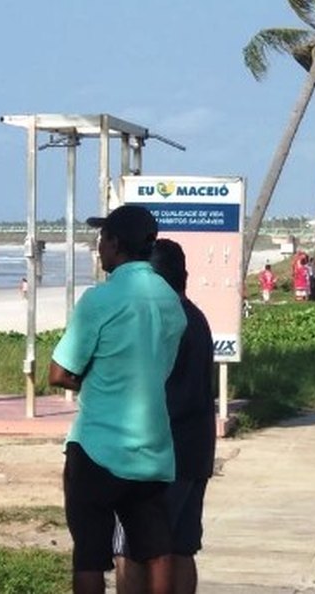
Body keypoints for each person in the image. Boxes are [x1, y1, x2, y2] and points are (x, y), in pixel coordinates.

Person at [48, 204, 187, 594]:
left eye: (101, 239)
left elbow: (59, 372)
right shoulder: (170, 301)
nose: (98, 248)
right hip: (153, 447)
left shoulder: (100, 300)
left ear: (114, 243)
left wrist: (94, 380)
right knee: (156, 548)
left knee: (90, 553)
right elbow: (159, 368)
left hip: (98, 446)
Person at [114, 239, 215, 594]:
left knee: (132, 550)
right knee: (181, 547)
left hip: (158, 453)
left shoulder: (161, 322)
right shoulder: (195, 316)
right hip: (195, 450)